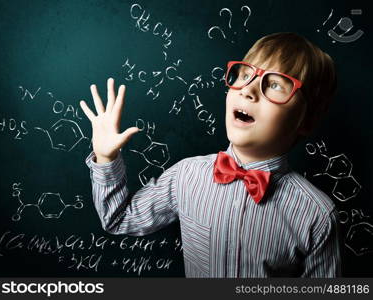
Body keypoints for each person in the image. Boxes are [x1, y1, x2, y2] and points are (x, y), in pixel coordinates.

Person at [80, 32, 341, 277]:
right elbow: (118, 219)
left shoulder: (316, 215)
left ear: (305, 121)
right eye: (244, 75)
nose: (248, 90)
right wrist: (106, 159)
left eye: (274, 85)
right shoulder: (186, 175)